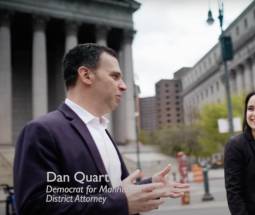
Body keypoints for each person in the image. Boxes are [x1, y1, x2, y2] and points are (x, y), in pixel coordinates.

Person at [13, 43, 188, 215]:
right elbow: (35, 207)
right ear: (86, 75)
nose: (124, 86)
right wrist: (121, 202)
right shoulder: (41, 131)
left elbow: (111, 191)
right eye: (115, 76)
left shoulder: (102, 130)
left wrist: (148, 186)